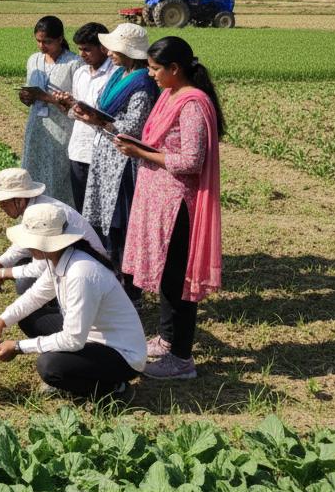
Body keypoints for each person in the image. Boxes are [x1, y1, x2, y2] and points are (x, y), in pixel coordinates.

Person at [117, 36, 225, 381]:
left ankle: (181, 359)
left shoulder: (192, 104)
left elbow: (191, 161)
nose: (150, 74)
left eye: (154, 68)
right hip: (159, 201)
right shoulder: (170, 94)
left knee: (179, 281)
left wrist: (141, 153)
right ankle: (166, 339)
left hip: (178, 205)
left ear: (174, 69)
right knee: (167, 275)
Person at [0, 204, 146, 400]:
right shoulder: (60, 258)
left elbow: (73, 339)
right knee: (29, 318)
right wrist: (2, 321)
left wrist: (18, 347)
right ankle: (80, 374)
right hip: (90, 336)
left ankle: (114, 389)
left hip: (121, 354)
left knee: (49, 366)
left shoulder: (81, 273)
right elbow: (35, 295)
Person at [67, 22, 158, 270]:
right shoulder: (119, 75)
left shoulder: (142, 83)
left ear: (128, 52)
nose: (109, 53)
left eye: (114, 49)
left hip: (124, 160)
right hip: (105, 154)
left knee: (120, 217)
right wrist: (89, 115)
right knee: (106, 217)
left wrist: (100, 122)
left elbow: (134, 126)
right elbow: (103, 109)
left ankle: (125, 271)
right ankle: (109, 264)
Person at [0, 167, 107, 333]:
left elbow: (39, 269)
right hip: (87, 276)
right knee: (25, 278)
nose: (0, 206)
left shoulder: (43, 215)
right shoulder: (38, 209)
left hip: (90, 299)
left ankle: (57, 306)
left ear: (20, 200)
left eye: (4, 201)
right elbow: (23, 246)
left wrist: (4, 272)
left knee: (25, 286)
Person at [19, 16, 81, 209]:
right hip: (37, 127)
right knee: (33, 170)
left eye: (47, 42)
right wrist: (26, 97)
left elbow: (78, 103)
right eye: (38, 41)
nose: (41, 46)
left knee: (58, 174)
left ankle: (59, 215)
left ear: (60, 39)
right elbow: (30, 90)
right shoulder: (34, 60)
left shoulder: (74, 63)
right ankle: (34, 213)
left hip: (62, 130)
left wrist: (46, 97)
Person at [60, 23, 112, 212]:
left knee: (102, 210)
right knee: (81, 208)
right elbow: (74, 112)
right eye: (80, 49)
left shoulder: (115, 75)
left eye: (87, 49)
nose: (82, 54)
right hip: (78, 150)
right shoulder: (80, 73)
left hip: (103, 152)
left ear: (103, 48)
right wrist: (66, 104)